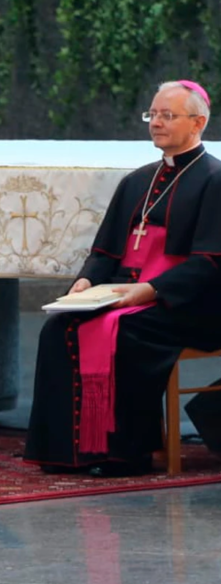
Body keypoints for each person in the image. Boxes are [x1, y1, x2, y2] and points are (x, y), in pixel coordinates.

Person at [24, 80, 221, 477]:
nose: (157, 123)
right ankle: (68, 453)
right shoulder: (137, 180)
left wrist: (149, 290)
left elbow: (210, 262)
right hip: (126, 293)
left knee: (125, 334)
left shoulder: (214, 180)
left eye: (168, 115)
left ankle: (125, 453)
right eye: (153, 115)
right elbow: (105, 251)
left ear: (198, 122)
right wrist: (84, 283)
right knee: (59, 327)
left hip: (187, 303)